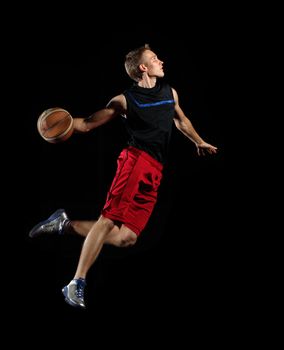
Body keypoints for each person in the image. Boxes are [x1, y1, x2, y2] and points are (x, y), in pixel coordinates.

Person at [29, 44, 218, 309]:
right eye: (154, 59)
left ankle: (63, 224)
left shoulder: (169, 93)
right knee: (107, 221)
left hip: (155, 170)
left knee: (126, 237)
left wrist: (199, 141)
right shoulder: (125, 100)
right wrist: (62, 123)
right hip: (135, 162)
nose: (160, 61)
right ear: (143, 67)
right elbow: (87, 123)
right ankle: (76, 282)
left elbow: (181, 120)